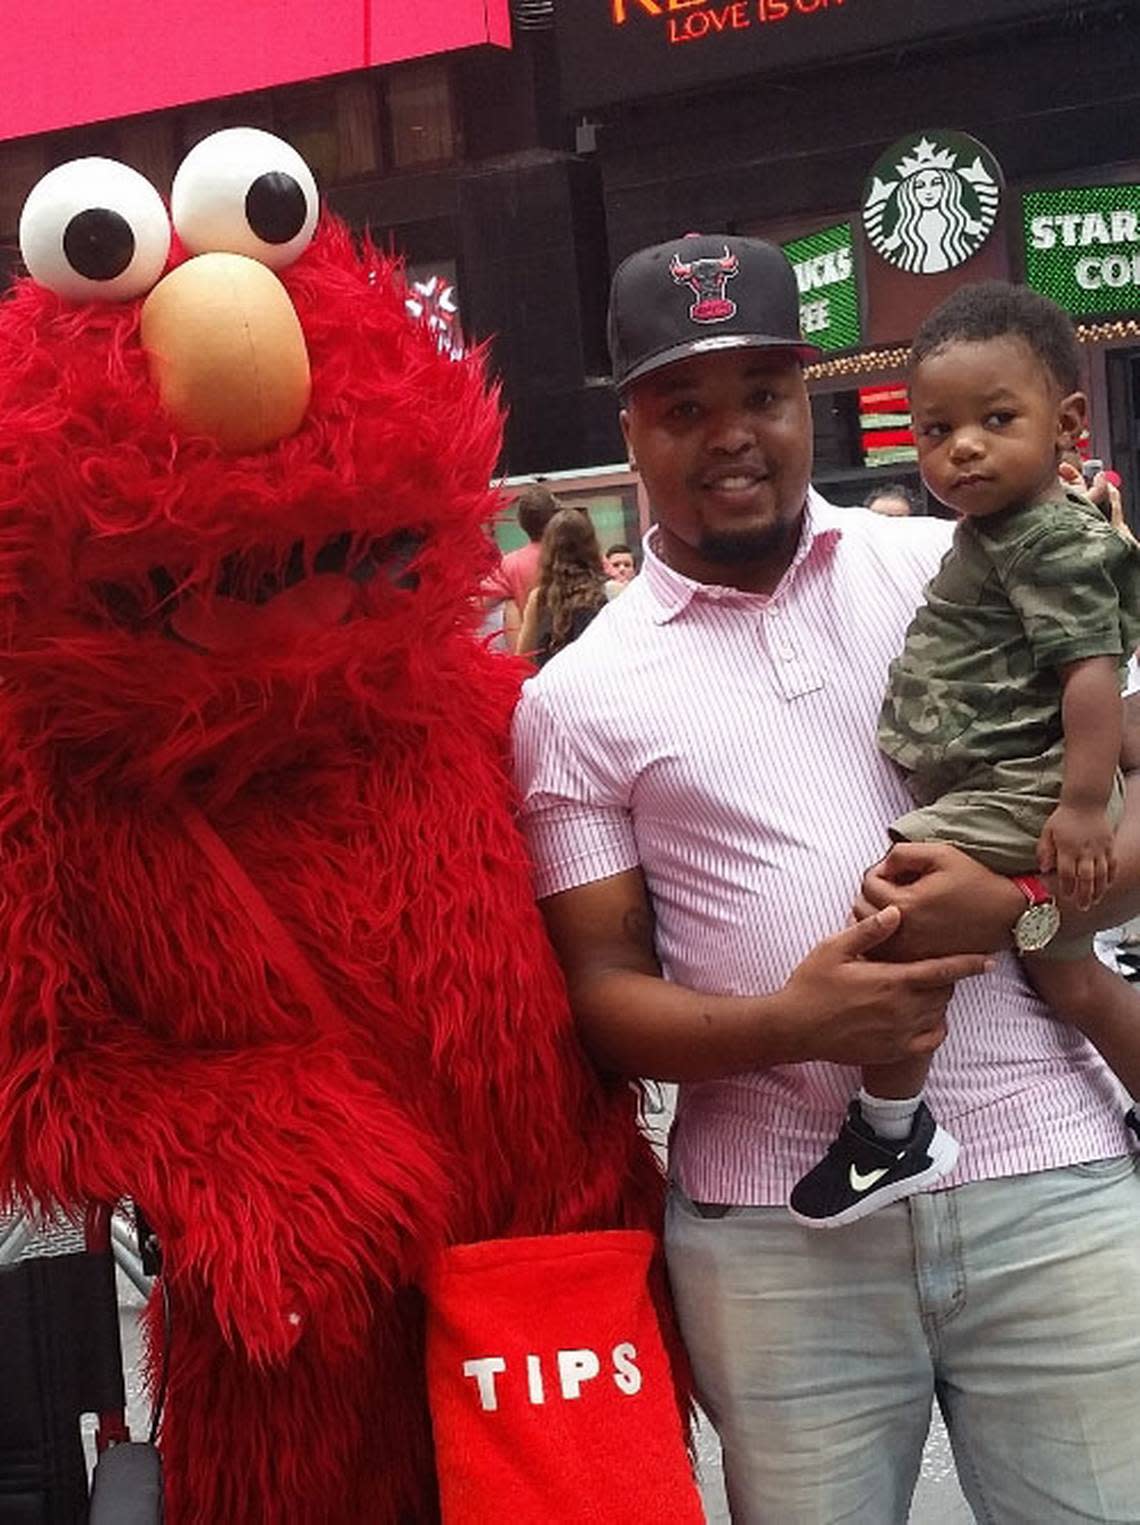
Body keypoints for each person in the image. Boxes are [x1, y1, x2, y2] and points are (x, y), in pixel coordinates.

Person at [511, 232, 1140, 1523]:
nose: (734, 435)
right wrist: (794, 1027)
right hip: (777, 1235)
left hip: (1051, 1190)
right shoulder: (572, 699)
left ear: (812, 400)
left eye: (766, 396)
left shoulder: (960, 563)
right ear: (631, 427)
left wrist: (1027, 903)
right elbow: (603, 993)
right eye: (687, 406)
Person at [791, 282, 1140, 1228]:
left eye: (996, 419)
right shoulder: (994, 530)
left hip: (1032, 789)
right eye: (937, 430)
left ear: (1068, 422)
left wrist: (1075, 807)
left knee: (900, 901)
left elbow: (1093, 678)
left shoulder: (1054, 540)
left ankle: (891, 1127)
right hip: (1021, 780)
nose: (964, 448)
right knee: (1070, 973)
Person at [516, 506, 611, 666]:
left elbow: (522, 656)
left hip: (554, 686)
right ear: (591, 546)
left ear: (549, 550)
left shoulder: (539, 598)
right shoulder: (610, 591)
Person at [483, 482, 561, 650]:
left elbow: (478, 602)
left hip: (537, 649)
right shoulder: (576, 552)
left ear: (521, 523)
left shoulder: (510, 564)